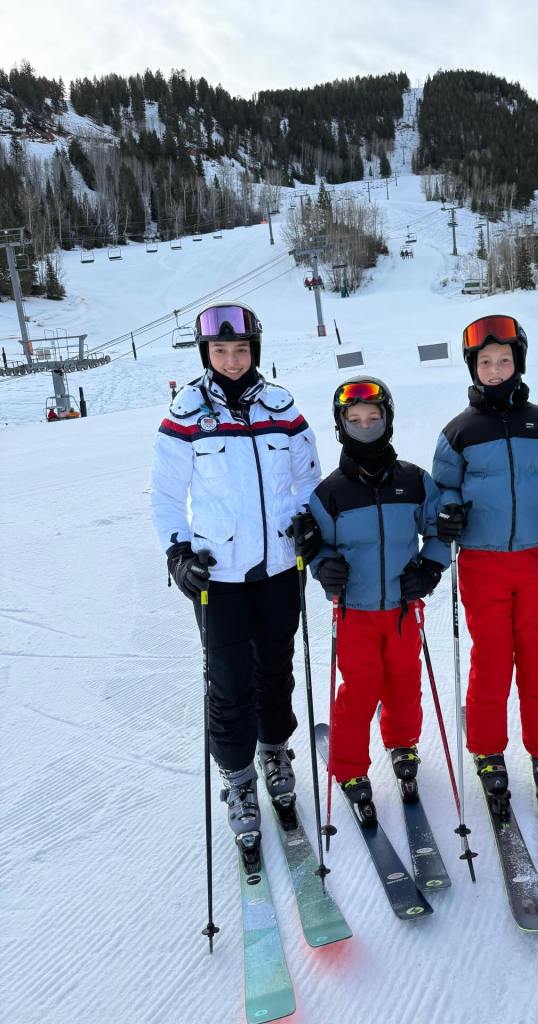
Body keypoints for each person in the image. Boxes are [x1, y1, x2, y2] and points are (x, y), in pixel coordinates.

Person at [150, 301, 321, 839]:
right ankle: (240, 778)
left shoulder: (282, 408)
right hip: (217, 574)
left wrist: (306, 526)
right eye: (220, 350)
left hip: (277, 568)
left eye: (240, 350)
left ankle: (274, 753)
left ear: (256, 351)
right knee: (228, 683)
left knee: (276, 670)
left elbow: (309, 481)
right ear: (206, 353)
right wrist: (178, 552)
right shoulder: (186, 413)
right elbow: (165, 495)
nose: (231, 360)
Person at [431, 315, 538, 811]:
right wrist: (448, 515)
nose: (495, 370)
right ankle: (487, 750)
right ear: (473, 369)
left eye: (503, 361)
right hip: (483, 562)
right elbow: (443, 490)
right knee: (492, 660)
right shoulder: (459, 431)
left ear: (517, 363)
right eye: (486, 363)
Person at [293, 377, 449, 825]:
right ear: (341, 426)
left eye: (374, 418)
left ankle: (403, 745)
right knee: (359, 692)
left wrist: (430, 567)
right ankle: (350, 769)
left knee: (404, 683)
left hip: (402, 609)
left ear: (388, 420)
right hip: (356, 611)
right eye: (355, 420)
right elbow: (312, 543)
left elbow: (438, 531)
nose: (365, 426)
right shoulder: (328, 493)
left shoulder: (416, 481)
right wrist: (323, 565)